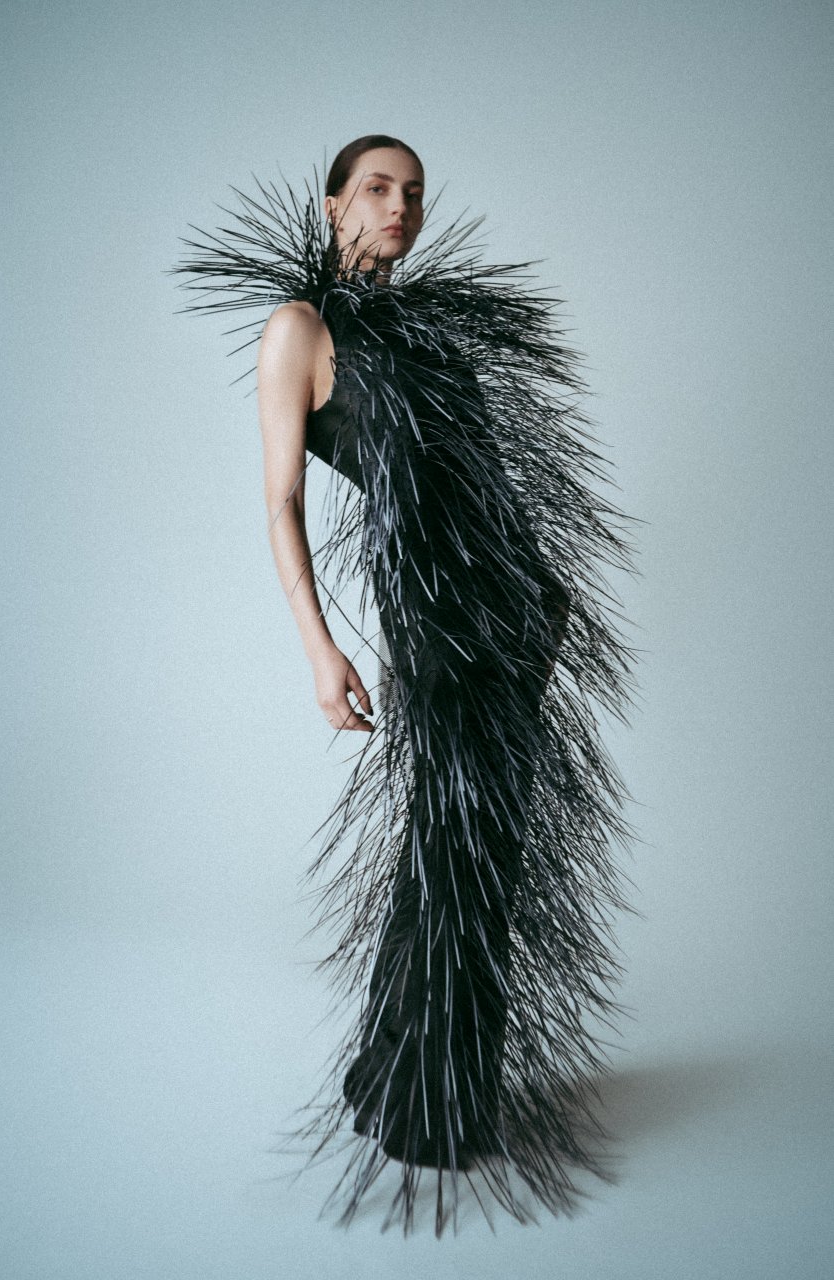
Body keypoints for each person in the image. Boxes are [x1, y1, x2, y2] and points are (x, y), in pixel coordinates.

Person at [172, 135, 638, 1236]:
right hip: (438, 619)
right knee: (455, 844)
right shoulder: (299, 330)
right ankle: (428, 1104)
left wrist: (541, 590)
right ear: (334, 204)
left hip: (516, 609)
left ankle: (409, 1079)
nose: (400, 207)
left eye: (415, 193)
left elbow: (480, 474)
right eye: (378, 188)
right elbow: (281, 501)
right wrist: (321, 648)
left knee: (483, 844)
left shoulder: (425, 330)